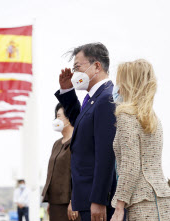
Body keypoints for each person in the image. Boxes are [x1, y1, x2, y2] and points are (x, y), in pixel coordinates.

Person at [55, 43, 118, 221]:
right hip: (84, 198)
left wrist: (99, 199)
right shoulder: (93, 99)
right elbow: (81, 126)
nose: (75, 74)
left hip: (95, 201)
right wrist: (67, 90)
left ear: (96, 66)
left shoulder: (107, 98)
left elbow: (106, 154)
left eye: (78, 68)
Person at [110, 60, 170, 221]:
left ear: (129, 85)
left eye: (119, 82)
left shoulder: (126, 117)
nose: (117, 87)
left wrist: (119, 207)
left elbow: (131, 166)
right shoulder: (153, 118)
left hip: (141, 202)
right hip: (162, 199)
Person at [42, 103, 80, 221]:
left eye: (59, 116)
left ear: (69, 117)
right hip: (55, 203)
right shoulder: (57, 144)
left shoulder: (77, 141)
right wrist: (50, 202)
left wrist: (74, 201)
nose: (56, 120)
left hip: (69, 203)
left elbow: (79, 174)